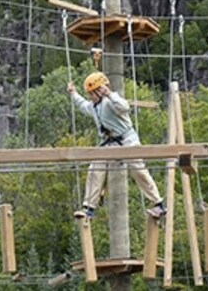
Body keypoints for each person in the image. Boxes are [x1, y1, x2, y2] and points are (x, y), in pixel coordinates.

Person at [67, 71, 167, 220]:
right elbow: (82, 105)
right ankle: (89, 208)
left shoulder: (111, 102)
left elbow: (124, 107)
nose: (90, 97)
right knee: (95, 168)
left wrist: (109, 93)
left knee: (138, 169)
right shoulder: (94, 107)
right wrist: (73, 93)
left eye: (92, 94)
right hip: (109, 144)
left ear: (99, 91)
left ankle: (158, 203)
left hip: (127, 140)